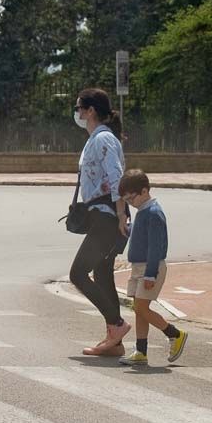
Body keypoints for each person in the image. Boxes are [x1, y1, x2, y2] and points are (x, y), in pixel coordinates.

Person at [70, 88, 132, 357]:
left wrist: (120, 216)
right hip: (104, 215)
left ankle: (117, 325)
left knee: (78, 273)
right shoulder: (97, 138)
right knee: (103, 272)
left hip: (108, 217)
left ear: (90, 111)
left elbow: (116, 177)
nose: (77, 114)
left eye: (79, 108)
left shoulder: (103, 139)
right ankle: (114, 341)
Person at [118, 169, 189, 366]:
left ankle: (175, 334)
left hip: (150, 268)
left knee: (141, 307)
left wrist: (150, 275)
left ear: (144, 191)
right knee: (139, 309)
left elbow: (155, 247)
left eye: (131, 198)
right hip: (138, 267)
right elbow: (143, 237)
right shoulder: (143, 212)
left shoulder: (154, 213)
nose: (130, 203)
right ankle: (141, 351)